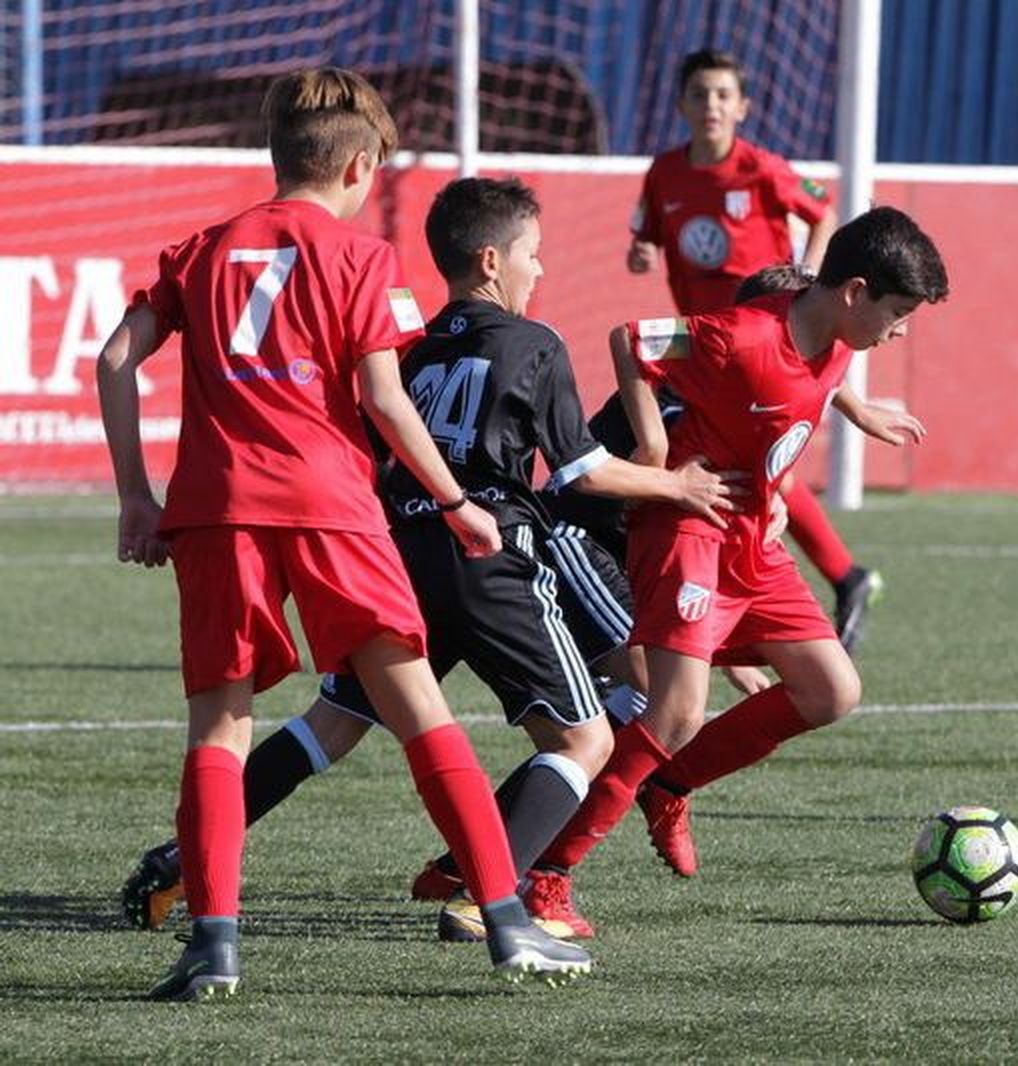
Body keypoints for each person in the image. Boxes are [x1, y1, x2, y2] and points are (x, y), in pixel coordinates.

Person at [117, 174, 743, 947]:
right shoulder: (534, 343)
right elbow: (581, 471)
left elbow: (380, 442)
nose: (539, 272)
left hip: (401, 556)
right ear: (490, 261)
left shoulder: (412, 348)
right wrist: (674, 483)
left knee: (330, 724)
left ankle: (188, 855)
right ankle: (493, 894)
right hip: (488, 553)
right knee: (588, 738)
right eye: (532, 256)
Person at [96, 69, 587, 1000]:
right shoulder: (359, 258)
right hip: (332, 508)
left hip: (217, 506)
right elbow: (383, 399)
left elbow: (115, 356)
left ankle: (212, 944)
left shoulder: (203, 247)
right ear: (360, 164)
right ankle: (508, 923)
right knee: (419, 714)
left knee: (219, 729)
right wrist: (454, 501)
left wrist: (135, 493)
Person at [526, 206, 949, 938]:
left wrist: (856, 410)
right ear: (853, 291)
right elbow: (632, 340)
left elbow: (823, 368)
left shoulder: (838, 335)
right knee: (675, 710)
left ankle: (671, 781)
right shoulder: (741, 334)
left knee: (831, 689)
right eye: (899, 312)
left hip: (754, 540)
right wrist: (655, 444)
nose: (902, 329)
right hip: (689, 528)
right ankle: (548, 875)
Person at [627, 48, 885, 653]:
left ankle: (834, 578)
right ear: (681, 104)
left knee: (754, 473)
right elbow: (646, 236)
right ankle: (833, 579)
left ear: (741, 107)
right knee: (740, 475)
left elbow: (825, 214)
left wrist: (807, 279)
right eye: (700, 94)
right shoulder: (664, 172)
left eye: (723, 95)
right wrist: (640, 251)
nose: (711, 105)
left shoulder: (763, 167)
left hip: (763, 340)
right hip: (702, 351)